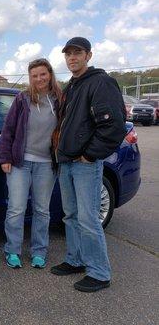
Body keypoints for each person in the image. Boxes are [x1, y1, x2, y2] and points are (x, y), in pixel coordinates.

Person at [50, 37, 126, 292]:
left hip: (84, 164)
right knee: (70, 215)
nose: (72, 58)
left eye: (77, 53)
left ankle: (99, 272)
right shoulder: (72, 86)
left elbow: (113, 125)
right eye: (68, 54)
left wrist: (90, 155)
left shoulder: (100, 83)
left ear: (88, 56)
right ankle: (76, 259)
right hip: (67, 162)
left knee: (88, 219)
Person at [0, 58, 62, 269]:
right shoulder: (22, 99)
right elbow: (8, 131)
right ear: (30, 78)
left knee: (42, 210)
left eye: (43, 74)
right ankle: (12, 250)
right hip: (20, 162)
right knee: (16, 208)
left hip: (46, 164)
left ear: (50, 74)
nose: (39, 79)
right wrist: (5, 158)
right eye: (34, 76)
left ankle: (39, 252)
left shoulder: (60, 100)